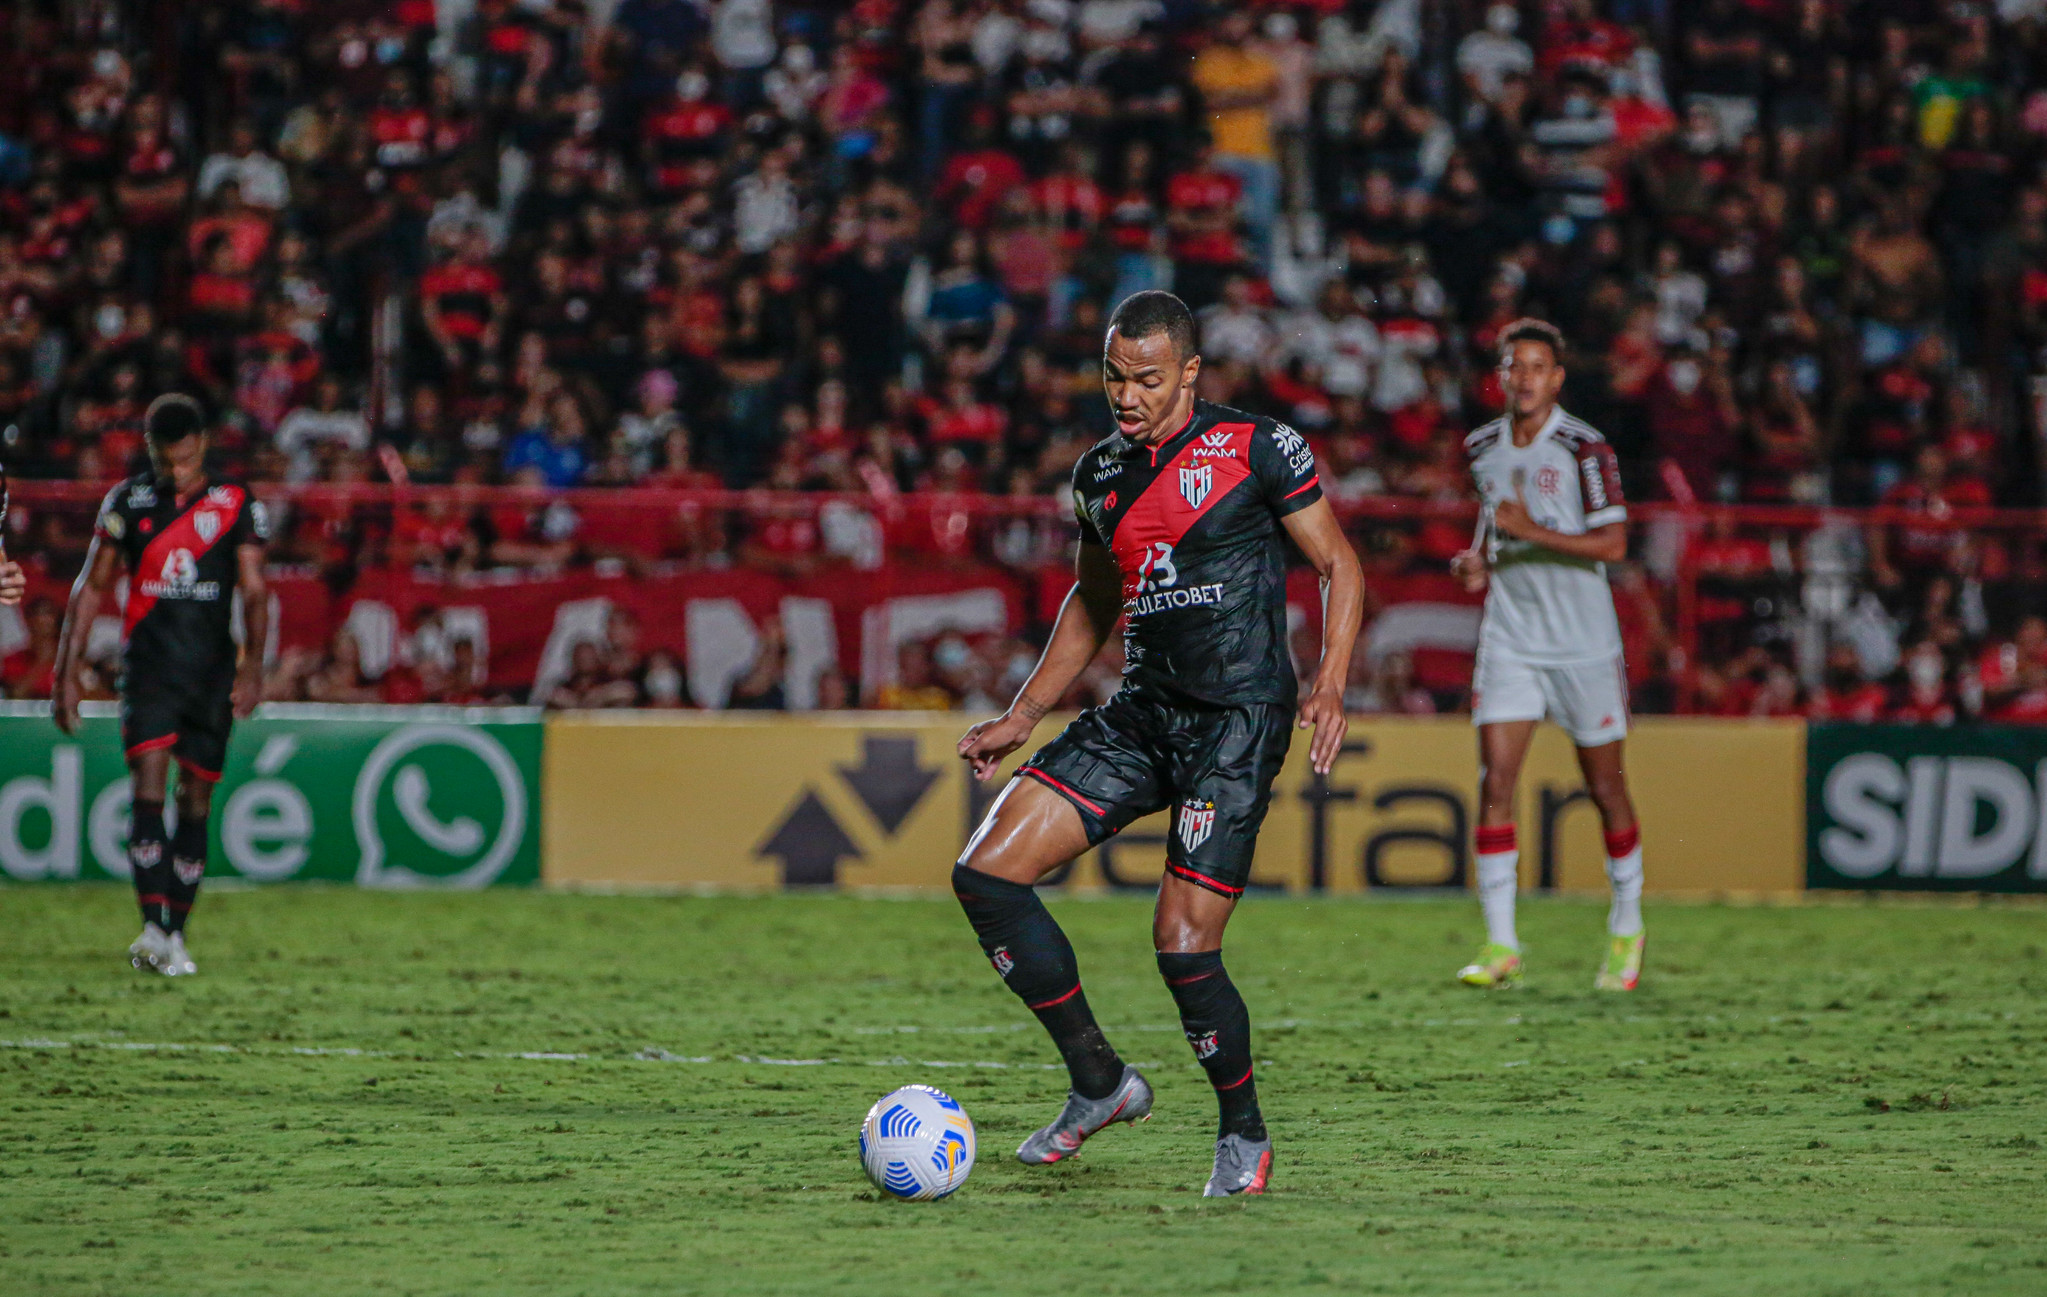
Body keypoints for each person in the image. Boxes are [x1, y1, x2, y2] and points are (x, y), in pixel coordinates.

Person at [952, 291, 1363, 1196]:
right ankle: (1099, 1083)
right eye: (1112, 377)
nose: (1126, 396)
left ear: (1187, 373)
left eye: (1145, 379)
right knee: (984, 874)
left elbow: (1338, 563)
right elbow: (1095, 601)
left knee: (1181, 945)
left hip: (1235, 720)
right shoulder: (1098, 475)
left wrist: (1330, 681)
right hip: (1144, 712)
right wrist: (1024, 712)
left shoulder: (1256, 447)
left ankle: (1243, 1134)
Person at [1449, 320, 1644, 993]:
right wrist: (1477, 564)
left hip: (1582, 645)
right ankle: (1501, 943)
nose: (1525, 378)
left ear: (1556, 378)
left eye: (1538, 367)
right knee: (1495, 783)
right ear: (1500, 375)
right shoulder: (1480, 447)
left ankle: (1626, 924)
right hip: (1510, 639)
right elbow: (1492, 533)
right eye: (1514, 366)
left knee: (1604, 788)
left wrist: (1529, 531)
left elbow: (1615, 545)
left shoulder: (1583, 447)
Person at [51, 395, 270, 978]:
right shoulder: (128, 502)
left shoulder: (234, 502)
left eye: (184, 454)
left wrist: (253, 668)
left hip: (211, 674)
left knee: (194, 799)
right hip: (148, 669)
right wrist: (64, 674)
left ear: (201, 444)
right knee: (148, 785)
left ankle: (176, 933)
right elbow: (90, 587)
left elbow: (253, 589)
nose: (175, 467)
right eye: (165, 457)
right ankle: (151, 926)